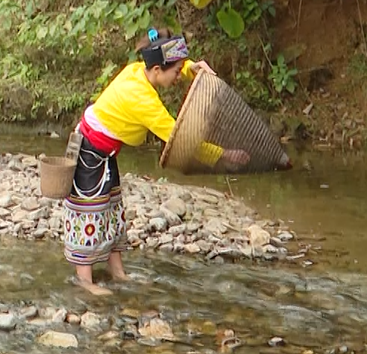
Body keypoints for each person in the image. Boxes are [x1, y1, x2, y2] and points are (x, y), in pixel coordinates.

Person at [63, 30, 250, 296]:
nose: (177, 78)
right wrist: (223, 154)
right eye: (175, 73)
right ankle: (85, 280)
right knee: (91, 211)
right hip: (90, 152)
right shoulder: (143, 101)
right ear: (157, 70)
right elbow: (180, 138)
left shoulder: (137, 70)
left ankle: (118, 273)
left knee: (112, 209)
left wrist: (190, 68)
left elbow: (173, 63)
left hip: (105, 151)